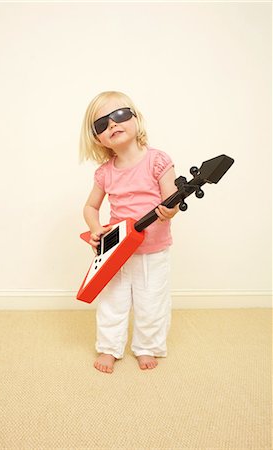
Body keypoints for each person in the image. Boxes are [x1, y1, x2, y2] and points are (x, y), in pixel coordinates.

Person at [79, 91, 179, 373]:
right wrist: (96, 229)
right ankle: (109, 347)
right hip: (117, 250)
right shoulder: (104, 173)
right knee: (112, 302)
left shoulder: (157, 161)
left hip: (153, 250)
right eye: (102, 124)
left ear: (136, 119)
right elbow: (90, 207)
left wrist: (170, 210)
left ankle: (148, 346)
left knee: (152, 301)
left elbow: (172, 199)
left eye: (120, 115)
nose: (112, 124)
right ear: (98, 138)